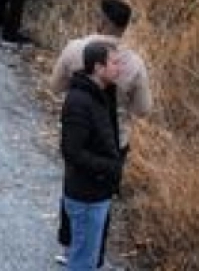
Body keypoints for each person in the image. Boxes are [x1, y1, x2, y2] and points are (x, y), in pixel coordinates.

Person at [52, 0, 154, 267]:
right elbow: (143, 109)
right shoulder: (134, 63)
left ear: (101, 21)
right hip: (113, 140)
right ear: (123, 28)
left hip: (79, 130)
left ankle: (68, 244)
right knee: (101, 199)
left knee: (72, 185)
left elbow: (56, 85)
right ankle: (92, 253)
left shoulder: (76, 49)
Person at [60, 40, 125, 271]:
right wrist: (108, 167)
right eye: (115, 63)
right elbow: (71, 151)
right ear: (98, 68)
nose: (120, 68)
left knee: (86, 257)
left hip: (97, 191)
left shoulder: (102, 93)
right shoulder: (80, 102)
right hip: (86, 196)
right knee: (83, 263)